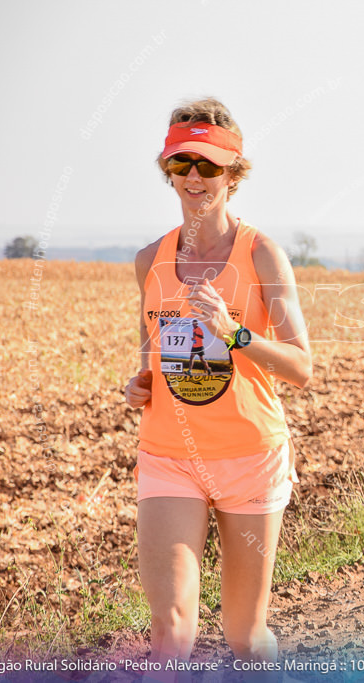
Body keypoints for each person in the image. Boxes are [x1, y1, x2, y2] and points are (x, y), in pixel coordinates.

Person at [123, 97, 312, 678]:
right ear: (168, 172)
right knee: (170, 629)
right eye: (182, 166)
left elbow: (300, 366)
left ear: (233, 173)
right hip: (169, 457)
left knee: (245, 638)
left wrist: (233, 333)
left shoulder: (261, 254)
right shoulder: (150, 259)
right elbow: (153, 348)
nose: (194, 178)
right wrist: (143, 382)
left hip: (249, 457)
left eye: (208, 166)